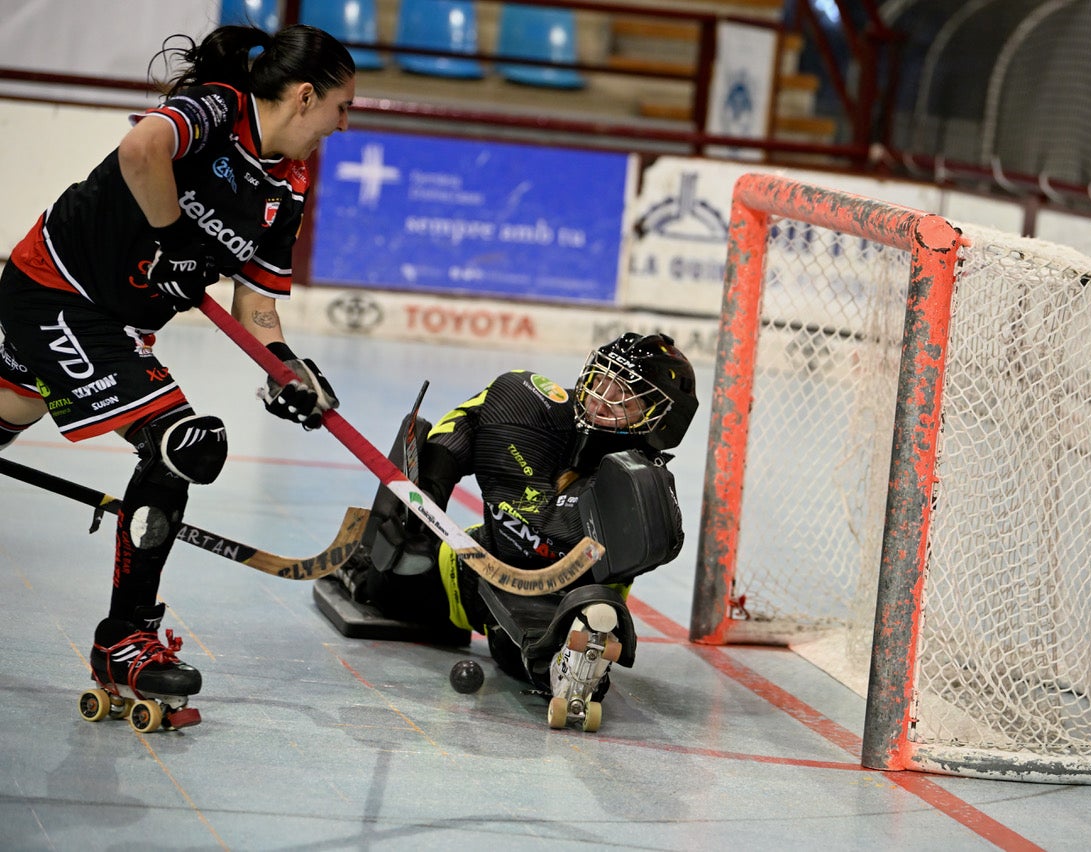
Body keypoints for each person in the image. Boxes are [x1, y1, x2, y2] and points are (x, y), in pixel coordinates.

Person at [0, 24, 355, 728]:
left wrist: (285, 370)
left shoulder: (290, 185)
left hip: (118, 325)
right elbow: (141, 150)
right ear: (306, 96)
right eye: (342, 108)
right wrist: (173, 240)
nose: (342, 126)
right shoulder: (219, 109)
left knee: (9, 411)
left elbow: (255, 305)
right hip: (58, 290)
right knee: (181, 443)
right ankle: (125, 642)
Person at [323, 332, 698, 731]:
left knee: (524, 654)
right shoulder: (527, 405)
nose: (601, 398)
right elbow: (464, 424)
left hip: (559, 602)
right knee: (389, 578)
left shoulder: (642, 489)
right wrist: (425, 500)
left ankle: (574, 652)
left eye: (624, 395)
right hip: (475, 567)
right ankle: (364, 566)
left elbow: (658, 544)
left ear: (660, 417)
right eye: (601, 380)